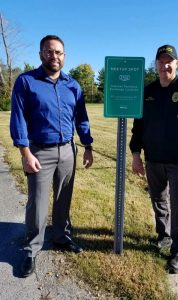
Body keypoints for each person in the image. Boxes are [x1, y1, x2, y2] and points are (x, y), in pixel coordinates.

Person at [10, 35, 93, 277]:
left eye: (58, 52)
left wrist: (87, 145)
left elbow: (82, 119)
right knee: (37, 203)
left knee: (63, 197)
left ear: (64, 56)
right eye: (48, 52)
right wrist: (25, 152)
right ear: (40, 54)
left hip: (68, 150)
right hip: (39, 151)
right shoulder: (26, 82)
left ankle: (60, 237)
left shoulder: (73, 86)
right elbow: (18, 119)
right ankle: (32, 248)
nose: (53, 56)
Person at [129, 44, 178, 274]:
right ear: (155, 64)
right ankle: (163, 236)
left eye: (169, 61)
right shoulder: (149, 91)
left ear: (177, 63)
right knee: (159, 201)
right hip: (153, 161)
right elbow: (138, 127)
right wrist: (136, 155)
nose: (165, 65)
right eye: (161, 61)